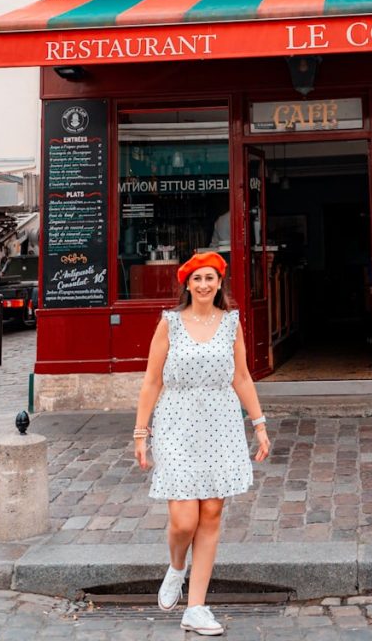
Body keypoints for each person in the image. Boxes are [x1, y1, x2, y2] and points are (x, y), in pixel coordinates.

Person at [133, 252, 270, 636]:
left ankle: (196, 607)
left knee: (211, 513)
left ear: (219, 282)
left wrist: (259, 424)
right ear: (187, 285)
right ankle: (177, 566)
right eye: (197, 279)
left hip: (221, 424)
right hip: (176, 424)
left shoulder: (231, 324)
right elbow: (151, 382)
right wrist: (141, 432)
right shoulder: (170, 324)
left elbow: (241, 377)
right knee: (184, 520)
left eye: (211, 278)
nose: (205, 285)